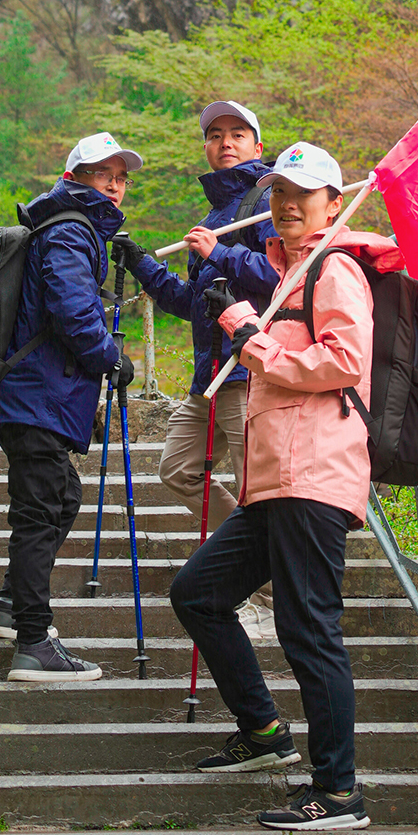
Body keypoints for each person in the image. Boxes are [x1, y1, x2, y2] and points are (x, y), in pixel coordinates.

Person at [170, 141, 402, 832]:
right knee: (198, 593)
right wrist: (247, 320)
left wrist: (251, 337)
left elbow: (344, 360)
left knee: (309, 629)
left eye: (304, 192)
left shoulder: (335, 268)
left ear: (335, 201)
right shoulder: (294, 273)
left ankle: (337, 791)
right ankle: (265, 730)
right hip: (274, 484)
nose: (287, 204)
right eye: (277, 192)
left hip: (314, 477)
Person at [112, 100, 279, 638]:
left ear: (258, 145)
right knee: (179, 469)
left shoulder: (274, 201)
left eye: (237, 134)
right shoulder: (212, 218)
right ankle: (256, 573)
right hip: (207, 376)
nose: (225, 143)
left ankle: (268, 595)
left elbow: (285, 279)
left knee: (258, 489)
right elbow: (191, 302)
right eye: (215, 135)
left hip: (249, 370)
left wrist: (222, 255)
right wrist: (142, 263)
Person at [0, 131, 141, 683]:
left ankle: (10, 606)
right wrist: (110, 357)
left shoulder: (64, 227)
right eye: (104, 175)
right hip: (36, 396)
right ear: (76, 178)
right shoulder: (71, 231)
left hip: (33, 396)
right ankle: (33, 643)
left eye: (120, 178)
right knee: (42, 511)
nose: (115, 186)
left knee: (61, 497)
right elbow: (73, 310)